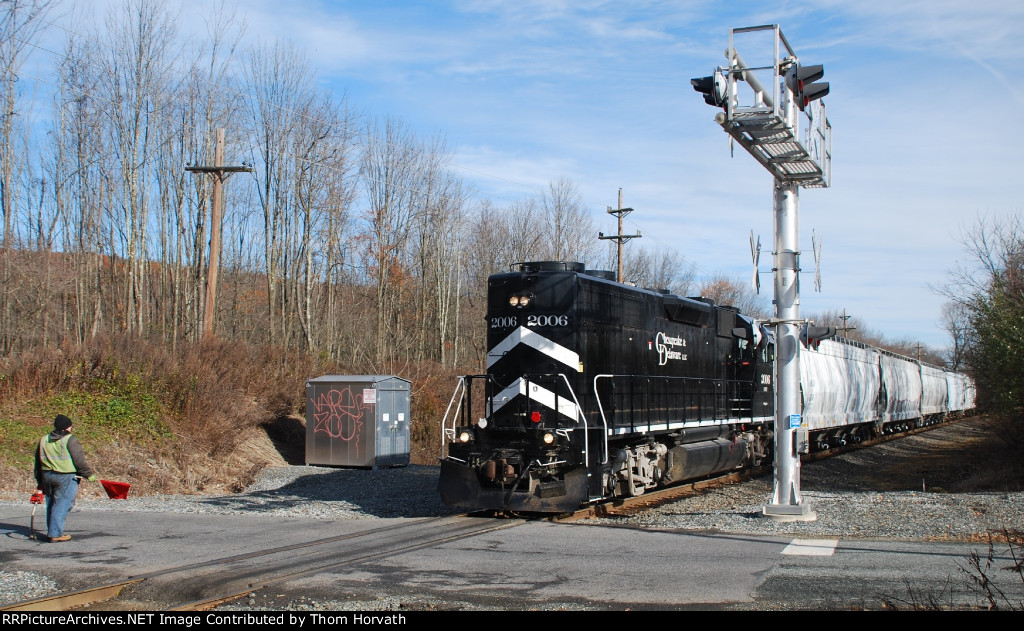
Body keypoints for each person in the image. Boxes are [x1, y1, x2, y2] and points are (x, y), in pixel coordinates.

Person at [34, 414, 96, 542]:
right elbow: (79, 460)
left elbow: (37, 462)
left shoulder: (44, 439)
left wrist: (39, 481)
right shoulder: (70, 440)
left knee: (51, 504)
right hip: (65, 476)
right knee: (62, 504)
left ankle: (52, 530)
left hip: (47, 476)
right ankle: (55, 534)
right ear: (68, 427)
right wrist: (88, 474)